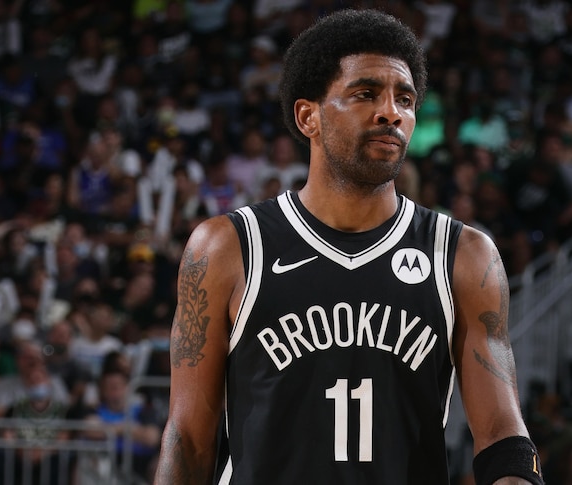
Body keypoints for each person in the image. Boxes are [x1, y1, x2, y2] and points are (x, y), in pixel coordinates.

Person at [155, 9, 542, 485]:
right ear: (308, 116)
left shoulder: (463, 255)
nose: (390, 112)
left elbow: (502, 431)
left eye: (405, 99)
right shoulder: (228, 247)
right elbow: (189, 439)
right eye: (365, 94)